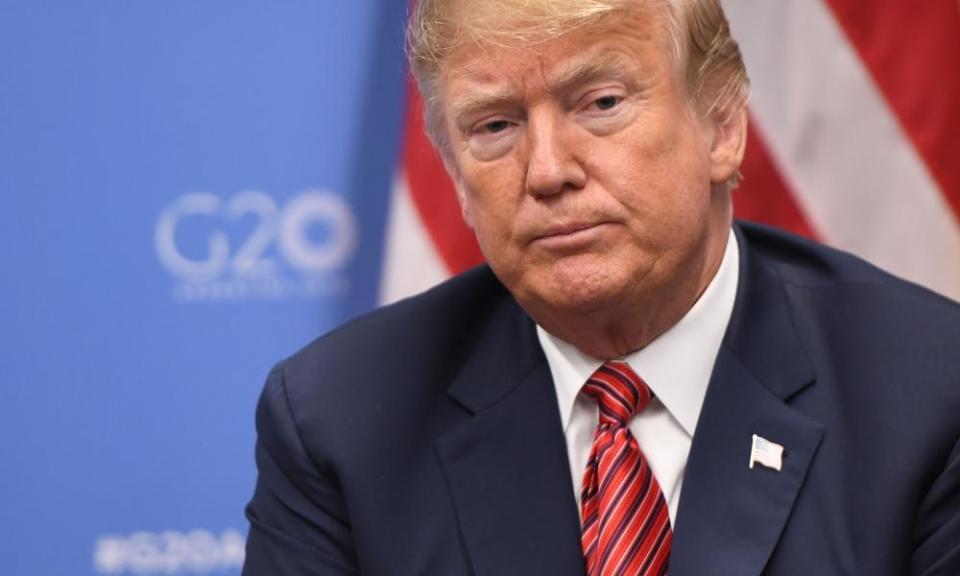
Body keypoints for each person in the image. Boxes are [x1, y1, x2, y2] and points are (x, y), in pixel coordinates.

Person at [243, 0, 960, 574]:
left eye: (601, 102)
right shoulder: (342, 421)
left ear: (721, 128)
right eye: (495, 125)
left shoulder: (927, 391)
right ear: (457, 179)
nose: (548, 169)